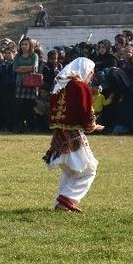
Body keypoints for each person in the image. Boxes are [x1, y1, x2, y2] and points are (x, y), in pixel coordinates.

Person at [43, 57, 103, 212]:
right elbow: (85, 114)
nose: (91, 76)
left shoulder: (60, 84)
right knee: (89, 169)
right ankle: (67, 198)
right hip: (73, 135)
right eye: (91, 73)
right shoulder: (80, 86)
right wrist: (92, 126)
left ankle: (62, 204)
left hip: (59, 134)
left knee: (69, 170)